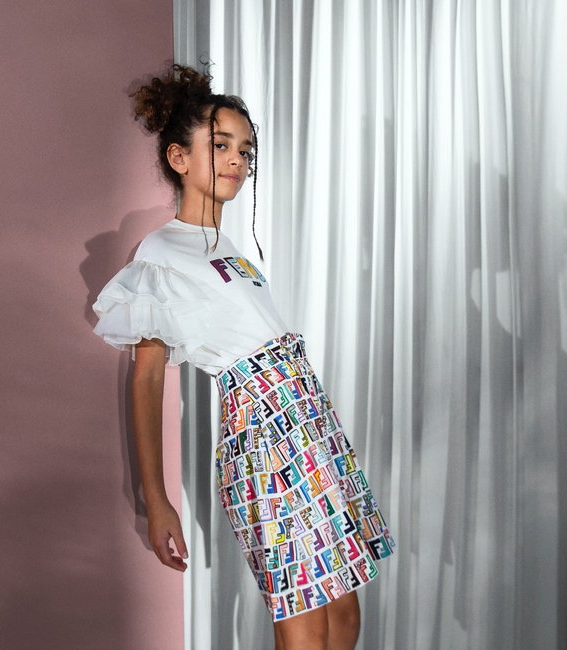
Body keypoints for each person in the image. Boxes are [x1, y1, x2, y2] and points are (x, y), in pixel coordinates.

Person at [92, 65, 394, 650]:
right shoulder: (160, 252)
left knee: (344, 613)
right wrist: (158, 500)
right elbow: (147, 380)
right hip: (265, 437)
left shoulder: (232, 250)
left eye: (245, 149)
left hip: (310, 427)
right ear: (179, 158)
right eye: (221, 145)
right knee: (305, 617)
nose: (236, 159)